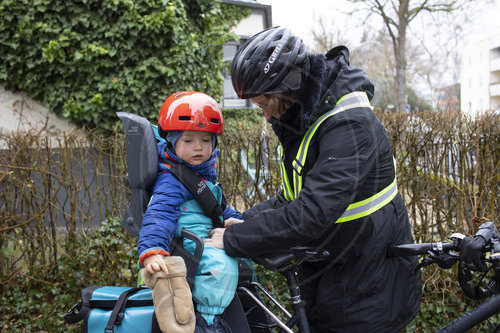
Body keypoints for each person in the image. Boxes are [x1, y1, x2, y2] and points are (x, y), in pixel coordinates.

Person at [204, 26, 423, 332]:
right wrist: (243, 221)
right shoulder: (307, 117)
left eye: (265, 104)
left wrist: (235, 240)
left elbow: (311, 212)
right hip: (337, 273)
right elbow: (290, 197)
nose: (266, 116)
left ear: (288, 86)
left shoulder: (349, 124)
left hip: (369, 283)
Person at [138, 91, 244, 332]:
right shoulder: (171, 180)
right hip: (187, 246)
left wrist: (238, 221)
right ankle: (209, 322)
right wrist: (152, 252)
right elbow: (158, 216)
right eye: (188, 140)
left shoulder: (202, 175)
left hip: (202, 240)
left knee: (243, 252)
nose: (198, 147)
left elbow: (219, 208)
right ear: (172, 142)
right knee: (220, 265)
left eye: (206, 140)